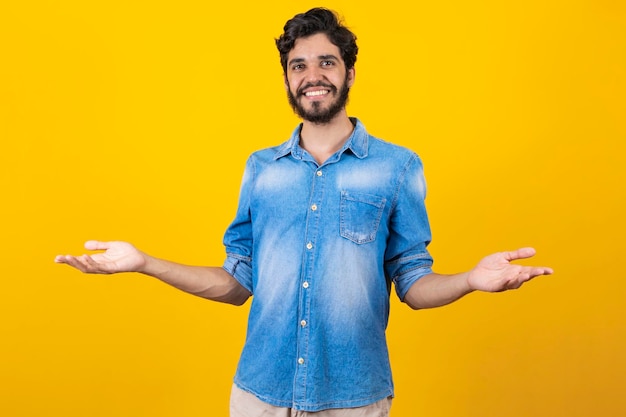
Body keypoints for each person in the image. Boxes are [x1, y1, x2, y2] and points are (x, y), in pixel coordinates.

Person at [55, 7, 553, 417]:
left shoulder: (397, 167)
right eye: (298, 65)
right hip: (258, 397)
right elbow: (237, 283)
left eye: (326, 63)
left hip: (353, 400)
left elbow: (413, 284)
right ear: (288, 79)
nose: (312, 76)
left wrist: (470, 279)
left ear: (349, 72)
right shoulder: (261, 169)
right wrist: (145, 263)